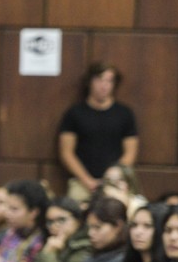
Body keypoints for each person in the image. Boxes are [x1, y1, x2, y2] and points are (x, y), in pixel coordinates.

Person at [59, 61, 139, 202]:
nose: (104, 85)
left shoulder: (124, 113)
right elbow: (66, 152)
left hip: (116, 182)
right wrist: (87, 180)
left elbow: (130, 152)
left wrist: (111, 178)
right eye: (99, 79)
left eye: (109, 80)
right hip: (82, 182)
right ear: (90, 82)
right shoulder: (74, 113)